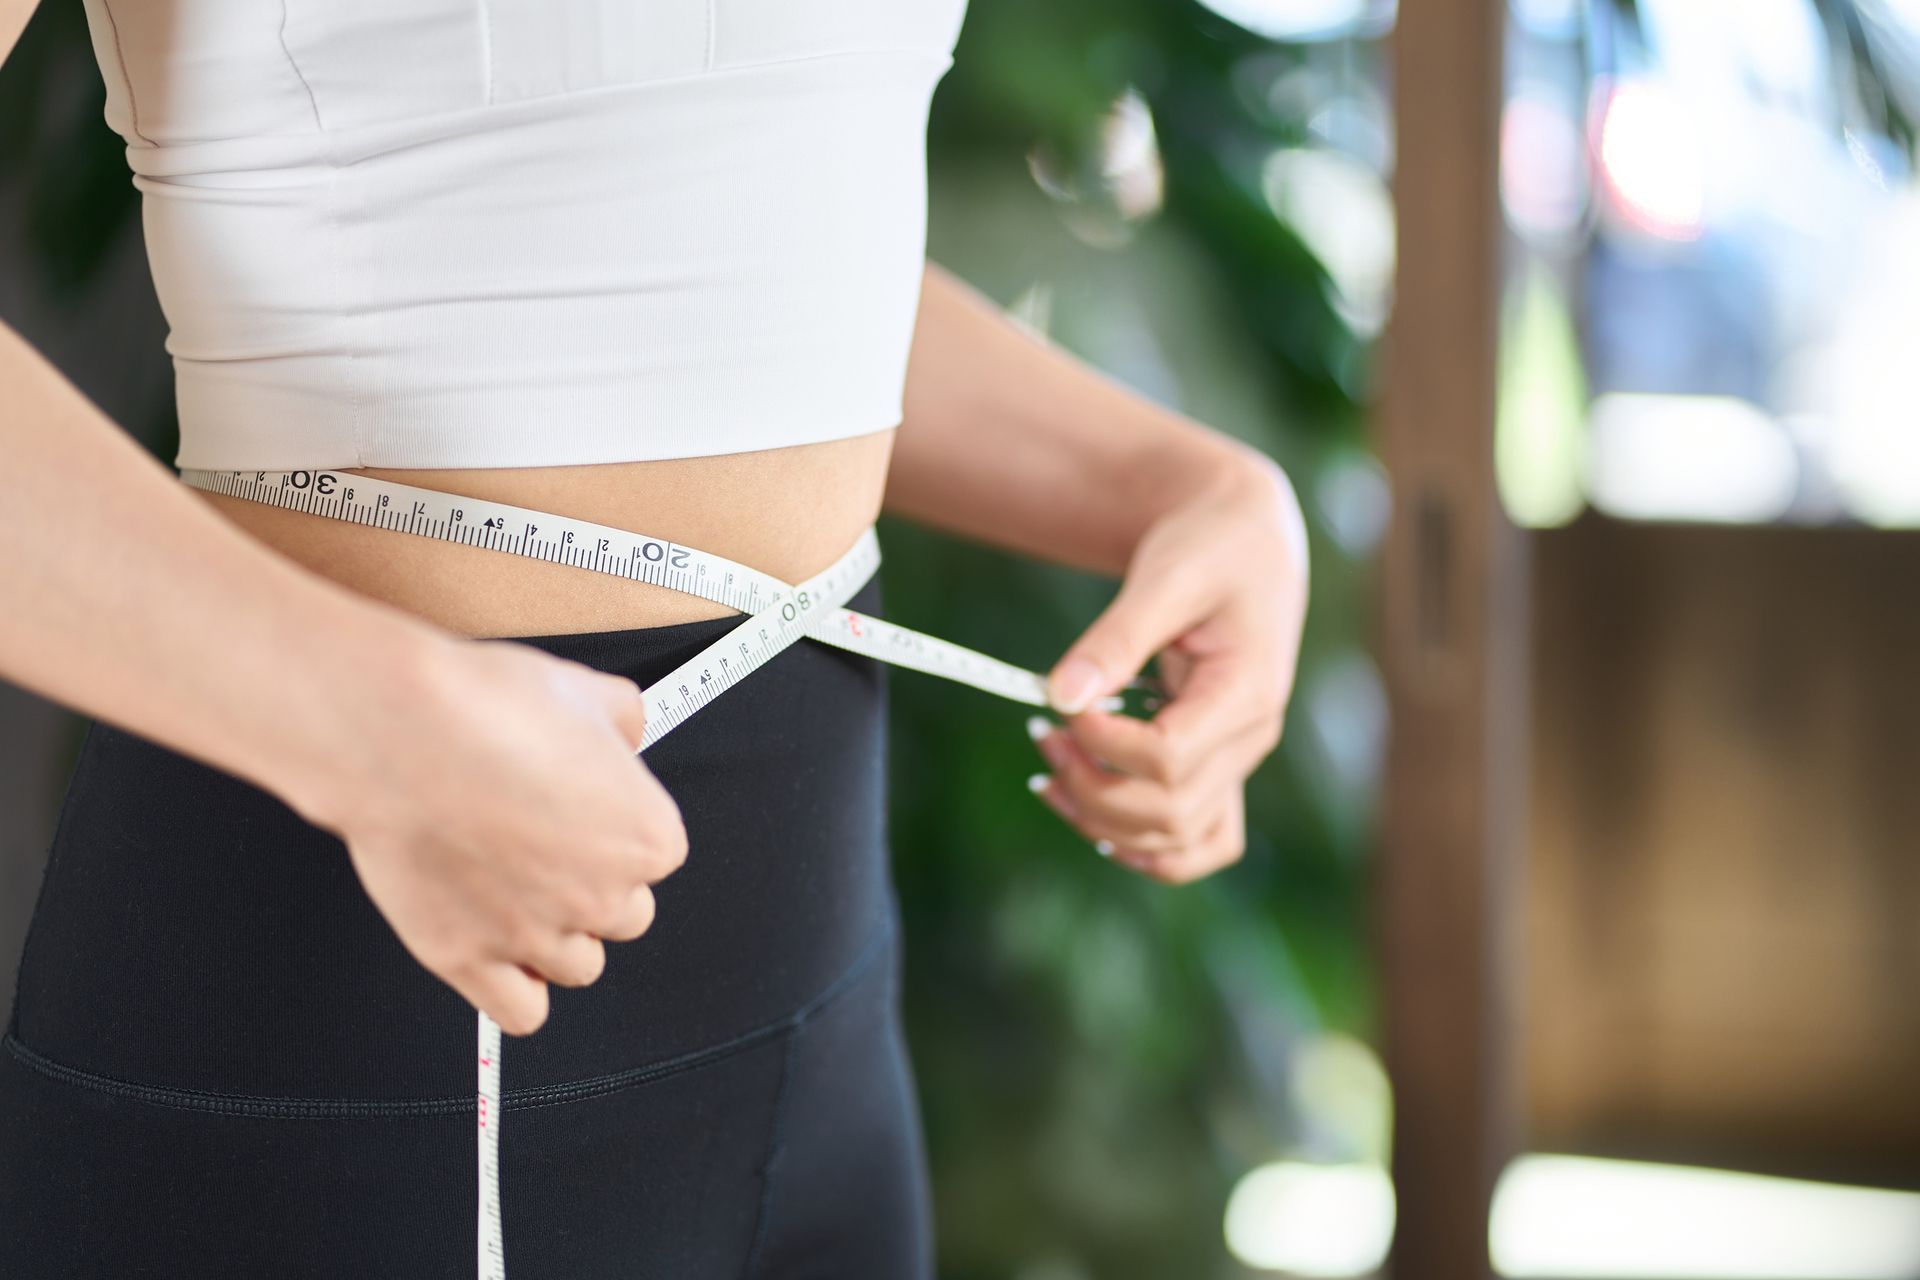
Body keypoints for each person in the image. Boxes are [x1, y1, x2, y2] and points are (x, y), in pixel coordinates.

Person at [0, 0, 1309, 1276]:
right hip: (343, 1025)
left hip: (821, 1010)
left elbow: (728, 231)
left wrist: (1169, 481)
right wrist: (360, 722)